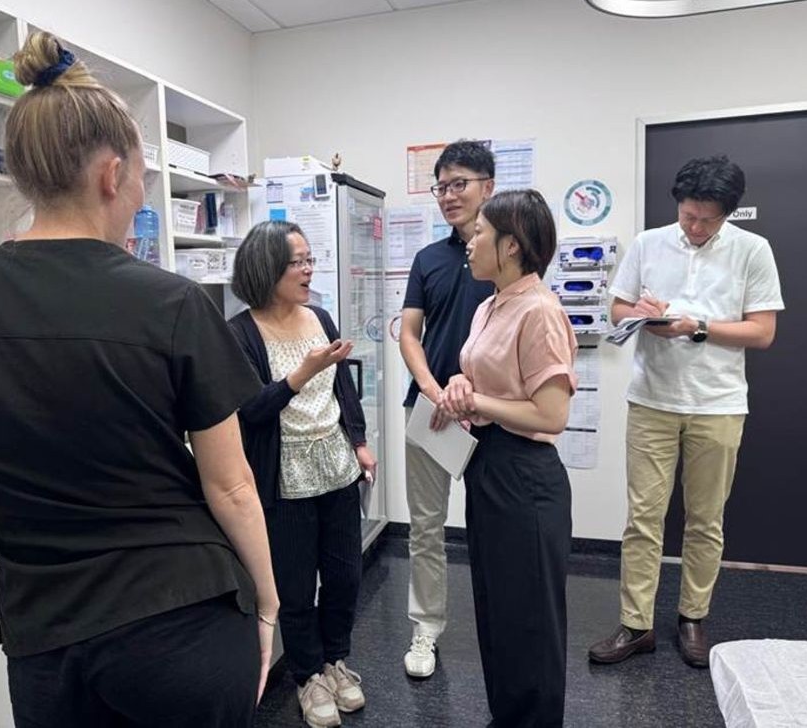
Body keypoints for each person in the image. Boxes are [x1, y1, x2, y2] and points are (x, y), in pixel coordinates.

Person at [0, 32, 279, 727]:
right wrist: (268, 603)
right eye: (143, 175)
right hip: (182, 619)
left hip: (47, 640)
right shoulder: (172, 302)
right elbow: (231, 486)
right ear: (111, 175)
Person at [588, 155, 783, 669]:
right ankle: (636, 624)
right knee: (643, 519)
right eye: (688, 215)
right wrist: (645, 317)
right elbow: (616, 310)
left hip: (718, 405)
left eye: (706, 219)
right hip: (651, 399)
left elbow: (762, 331)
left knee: (705, 520)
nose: (694, 226)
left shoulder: (752, 251)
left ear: (727, 214)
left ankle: (692, 617)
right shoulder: (650, 243)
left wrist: (696, 325)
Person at [228, 221, 378, 728]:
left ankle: (336, 661)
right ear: (266, 268)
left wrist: (358, 442)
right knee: (294, 585)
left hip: (335, 465)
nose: (309, 269)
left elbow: (344, 391)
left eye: (310, 259)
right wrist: (301, 373)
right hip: (282, 475)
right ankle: (307, 675)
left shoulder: (321, 317)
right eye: (298, 261)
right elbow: (251, 410)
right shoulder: (241, 331)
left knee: (344, 575)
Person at [438, 189, 577, 726]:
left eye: (479, 234)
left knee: (530, 624)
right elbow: (479, 376)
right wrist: (457, 384)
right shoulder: (489, 305)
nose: (469, 243)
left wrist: (475, 400)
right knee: (496, 611)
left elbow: (551, 415)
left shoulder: (540, 311)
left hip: (525, 475)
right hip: (488, 466)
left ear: (511, 245)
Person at [399, 139, 496, 678]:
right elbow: (410, 335)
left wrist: (473, 396)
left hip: (492, 412)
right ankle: (426, 629)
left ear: (489, 186)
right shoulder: (427, 259)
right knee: (425, 528)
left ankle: (496, 627)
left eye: (460, 183)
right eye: (441, 186)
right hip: (431, 411)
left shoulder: (508, 254)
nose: (449, 195)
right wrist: (435, 390)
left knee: (491, 527)